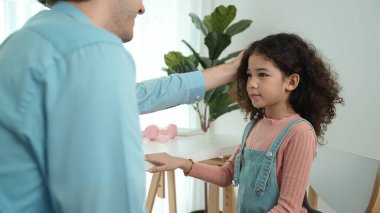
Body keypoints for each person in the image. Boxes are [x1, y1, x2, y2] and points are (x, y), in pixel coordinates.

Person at [0, 0, 242, 212]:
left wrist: (230, 69)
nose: (142, 8)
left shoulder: (25, 42)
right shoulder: (92, 52)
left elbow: (144, 94)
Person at [145, 33, 344, 212]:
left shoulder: (299, 133)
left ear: (291, 82)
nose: (252, 83)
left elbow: (288, 208)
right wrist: (180, 162)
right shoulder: (255, 127)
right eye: (249, 75)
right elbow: (226, 174)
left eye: (262, 75)